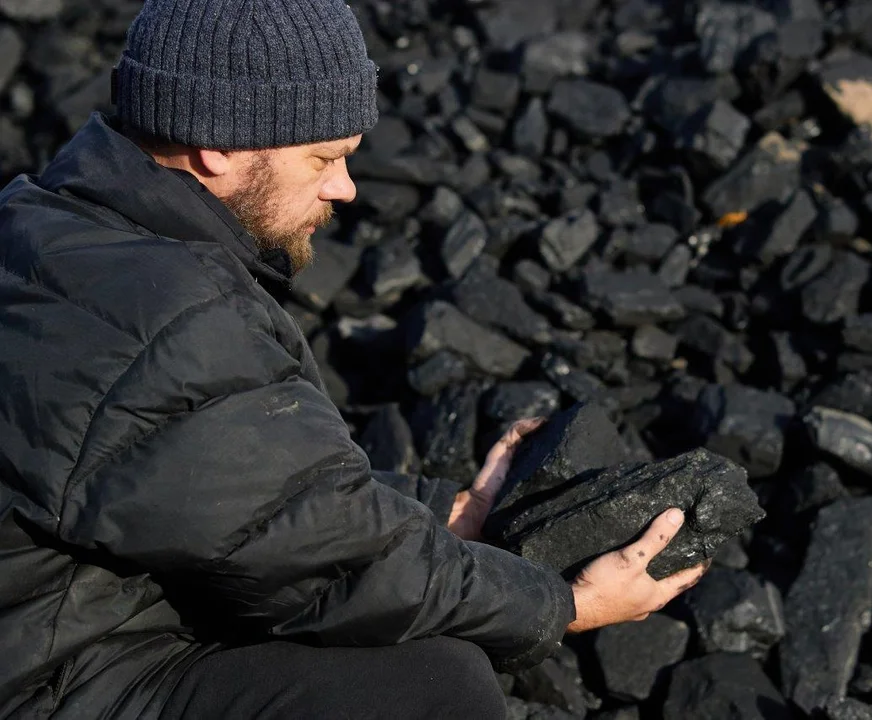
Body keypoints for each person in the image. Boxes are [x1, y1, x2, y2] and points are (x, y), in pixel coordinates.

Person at [0, 1, 708, 718]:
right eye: (325, 157)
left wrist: (444, 512)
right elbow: (323, 563)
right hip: (53, 682)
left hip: (50, 631)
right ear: (217, 142)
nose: (345, 188)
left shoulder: (43, 228)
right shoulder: (171, 312)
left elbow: (218, 481)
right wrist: (566, 606)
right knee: (430, 684)